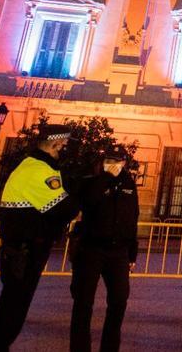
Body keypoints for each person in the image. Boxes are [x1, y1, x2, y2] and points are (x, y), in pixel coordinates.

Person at [0, 124, 81, 352]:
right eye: (63, 145)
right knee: (14, 306)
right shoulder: (37, 170)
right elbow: (64, 208)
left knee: (13, 304)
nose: (64, 150)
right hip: (25, 249)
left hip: (24, 247)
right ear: (55, 143)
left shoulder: (34, 166)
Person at [69, 144, 139, 352]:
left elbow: (132, 218)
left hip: (119, 252)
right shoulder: (91, 181)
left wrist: (132, 254)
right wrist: (106, 178)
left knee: (119, 301)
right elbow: (88, 201)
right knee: (83, 303)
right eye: (110, 161)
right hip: (91, 249)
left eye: (118, 161)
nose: (114, 165)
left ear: (124, 163)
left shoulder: (129, 184)